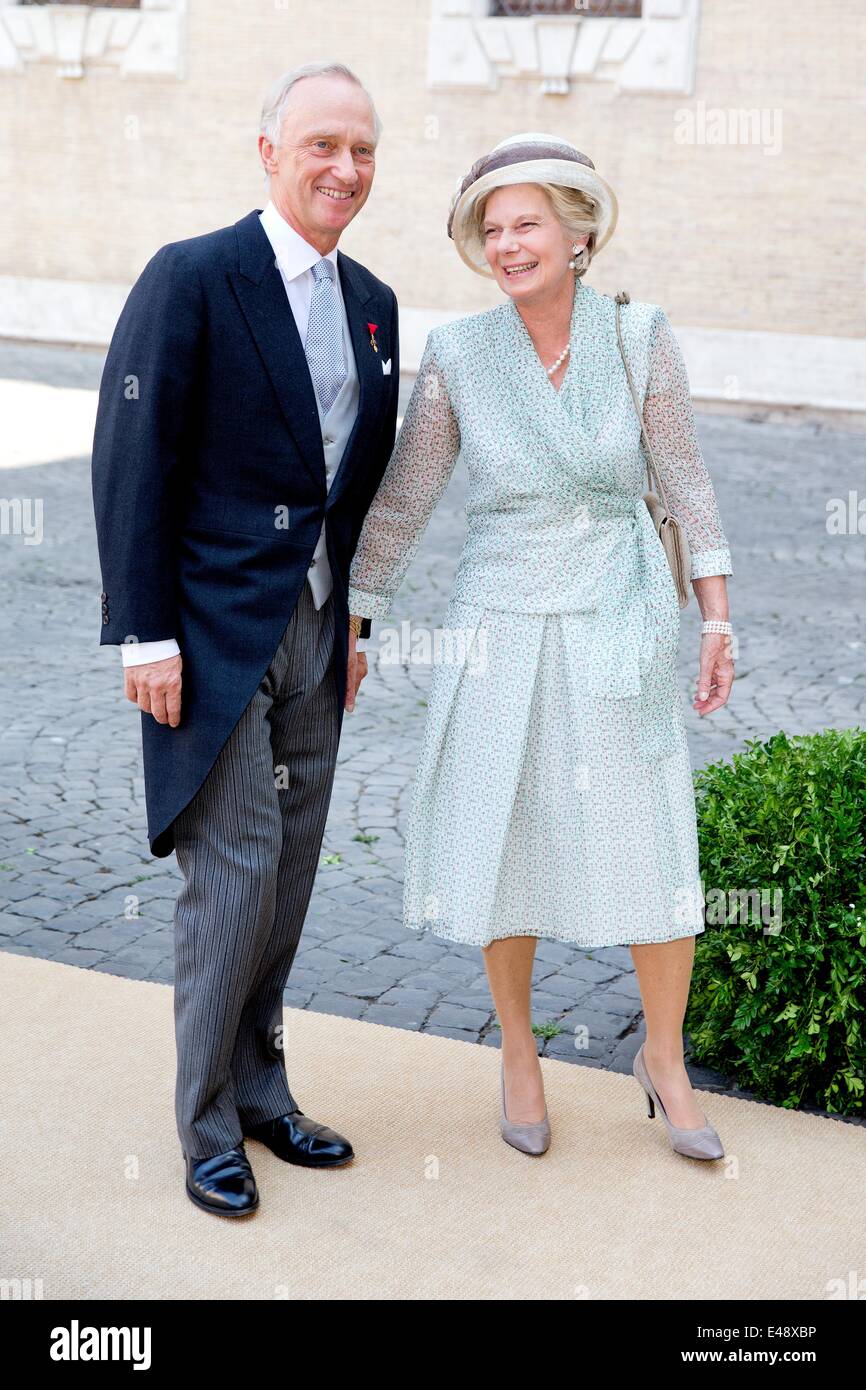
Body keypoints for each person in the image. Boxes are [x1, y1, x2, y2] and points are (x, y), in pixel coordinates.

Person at [348, 133, 734, 1160]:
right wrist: (356, 611)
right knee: (503, 832)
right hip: (498, 622)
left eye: (525, 222)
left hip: (618, 611)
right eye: (491, 227)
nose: (506, 242)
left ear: (579, 232)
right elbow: (405, 494)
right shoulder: (459, 355)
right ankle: (517, 1052)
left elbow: (684, 479)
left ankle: (663, 1057)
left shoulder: (637, 334)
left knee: (648, 834)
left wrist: (717, 617)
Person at [91, 62, 399, 1215]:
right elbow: (132, 458)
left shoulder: (373, 300)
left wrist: (353, 613)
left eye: (363, 150)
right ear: (266, 151)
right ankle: (206, 1123)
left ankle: (264, 1089)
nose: (345, 169)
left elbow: (350, 486)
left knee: (294, 872)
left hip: (316, 627)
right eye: (322, 145)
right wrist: (142, 634)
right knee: (232, 875)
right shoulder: (195, 276)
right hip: (211, 634)